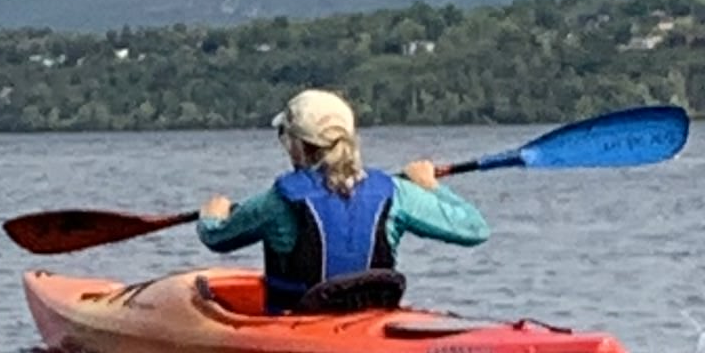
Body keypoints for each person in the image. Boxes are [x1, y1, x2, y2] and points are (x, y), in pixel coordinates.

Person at [197, 88, 488, 314]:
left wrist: (212, 216)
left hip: (300, 326)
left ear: (296, 144)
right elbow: (474, 229)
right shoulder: (396, 192)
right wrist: (431, 187)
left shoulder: (279, 201)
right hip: (373, 321)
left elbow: (217, 238)